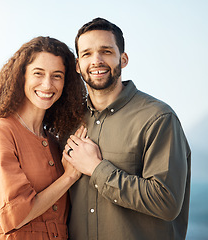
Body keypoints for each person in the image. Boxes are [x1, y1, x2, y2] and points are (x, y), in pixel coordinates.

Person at [63, 17, 191, 240]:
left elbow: (166, 201)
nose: (97, 60)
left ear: (123, 59)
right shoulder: (69, 122)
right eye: (87, 54)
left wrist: (97, 168)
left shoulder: (158, 118)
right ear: (77, 65)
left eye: (106, 51)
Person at [0, 36, 87, 239]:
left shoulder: (55, 142)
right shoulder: (1, 131)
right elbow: (15, 216)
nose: (47, 84)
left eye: (57, 76)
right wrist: (69, 177)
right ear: (22, 77)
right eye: (38, 73)